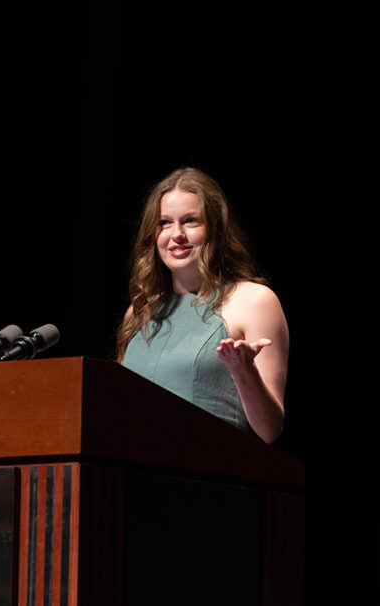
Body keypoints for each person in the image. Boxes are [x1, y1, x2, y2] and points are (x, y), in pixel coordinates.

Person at [116, 167, 289, 443]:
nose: (177, 234)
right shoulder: (139, 312)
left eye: (191, 221)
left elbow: (269, 430)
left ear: (216, 230)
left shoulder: (254, 301)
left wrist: (245, 372)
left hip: (208, 475)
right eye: (164, 223)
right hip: (132, 473)